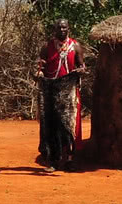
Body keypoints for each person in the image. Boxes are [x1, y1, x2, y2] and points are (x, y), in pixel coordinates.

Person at [36, 19, 85, 170]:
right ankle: (53, 160)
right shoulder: (47, 47)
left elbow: (82, 65)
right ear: (54, 29)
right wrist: (38, 73)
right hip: (50, 91)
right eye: (59, 27)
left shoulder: (75, 46)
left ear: (68, 28)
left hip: (69, 91)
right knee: (51, 124)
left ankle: (69, 159)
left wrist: (81, 71)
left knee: (68, 125)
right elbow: (40, 66)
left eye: (64, 27)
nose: (62, 30)